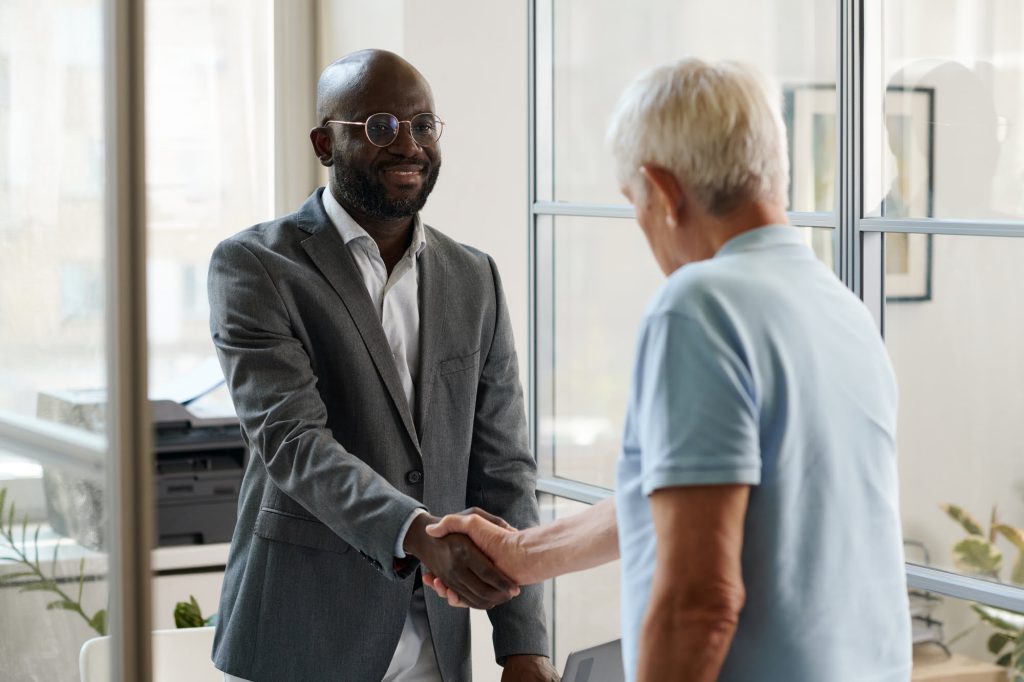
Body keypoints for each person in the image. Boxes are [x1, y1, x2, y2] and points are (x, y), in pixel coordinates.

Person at [424, 58, 912, 682]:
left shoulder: (700, 305)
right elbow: (683, 497)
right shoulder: (840, 307)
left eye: (636, 205)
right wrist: (520, 554)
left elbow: (698, 604)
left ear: (663, 191)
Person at [207, 49, 557, 681]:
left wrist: (524, 645)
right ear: (324, 142)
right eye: (380, 127)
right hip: (300, 636)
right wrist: (418, 532)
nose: (408, 145)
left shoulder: (474, 277)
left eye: (422, 125)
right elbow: (294, 444)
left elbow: (503, 467)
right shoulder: (256, 267)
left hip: (436, 649)